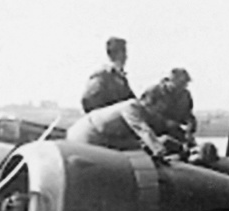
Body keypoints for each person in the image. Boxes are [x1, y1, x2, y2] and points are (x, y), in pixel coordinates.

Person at [65, 68, 196, 161]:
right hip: (90, 136)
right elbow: (142, 129)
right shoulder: (132, 107)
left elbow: (188, 116)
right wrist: (158, 149)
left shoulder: (184, 96)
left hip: (109, 136)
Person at [81, 36, 134, 112]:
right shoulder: (102, 76)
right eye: (122, 52)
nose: (125, 57)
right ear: (112, 54)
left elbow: (131, 102)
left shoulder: (121, 79)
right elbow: (88, 101)